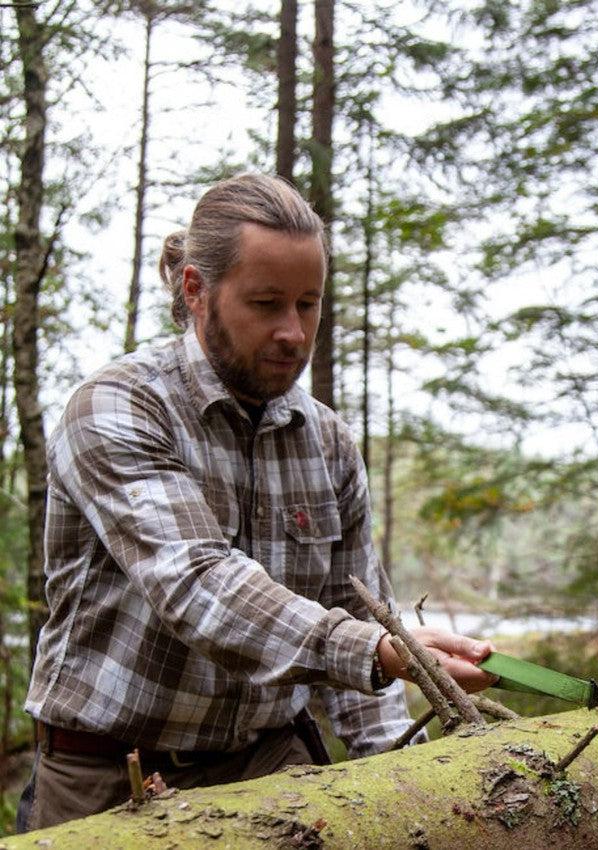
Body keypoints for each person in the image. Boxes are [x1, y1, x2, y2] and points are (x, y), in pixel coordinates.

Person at [17, 173, 495, 832]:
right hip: (109, 772)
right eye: (267, 303)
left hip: (270, 762)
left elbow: (360, 606)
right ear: (195, 290)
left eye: (308, 304)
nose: (293, 332)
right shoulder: (117, 408)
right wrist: (375, 651)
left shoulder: (327, 442)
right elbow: (196, 584)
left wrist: (400, 786)